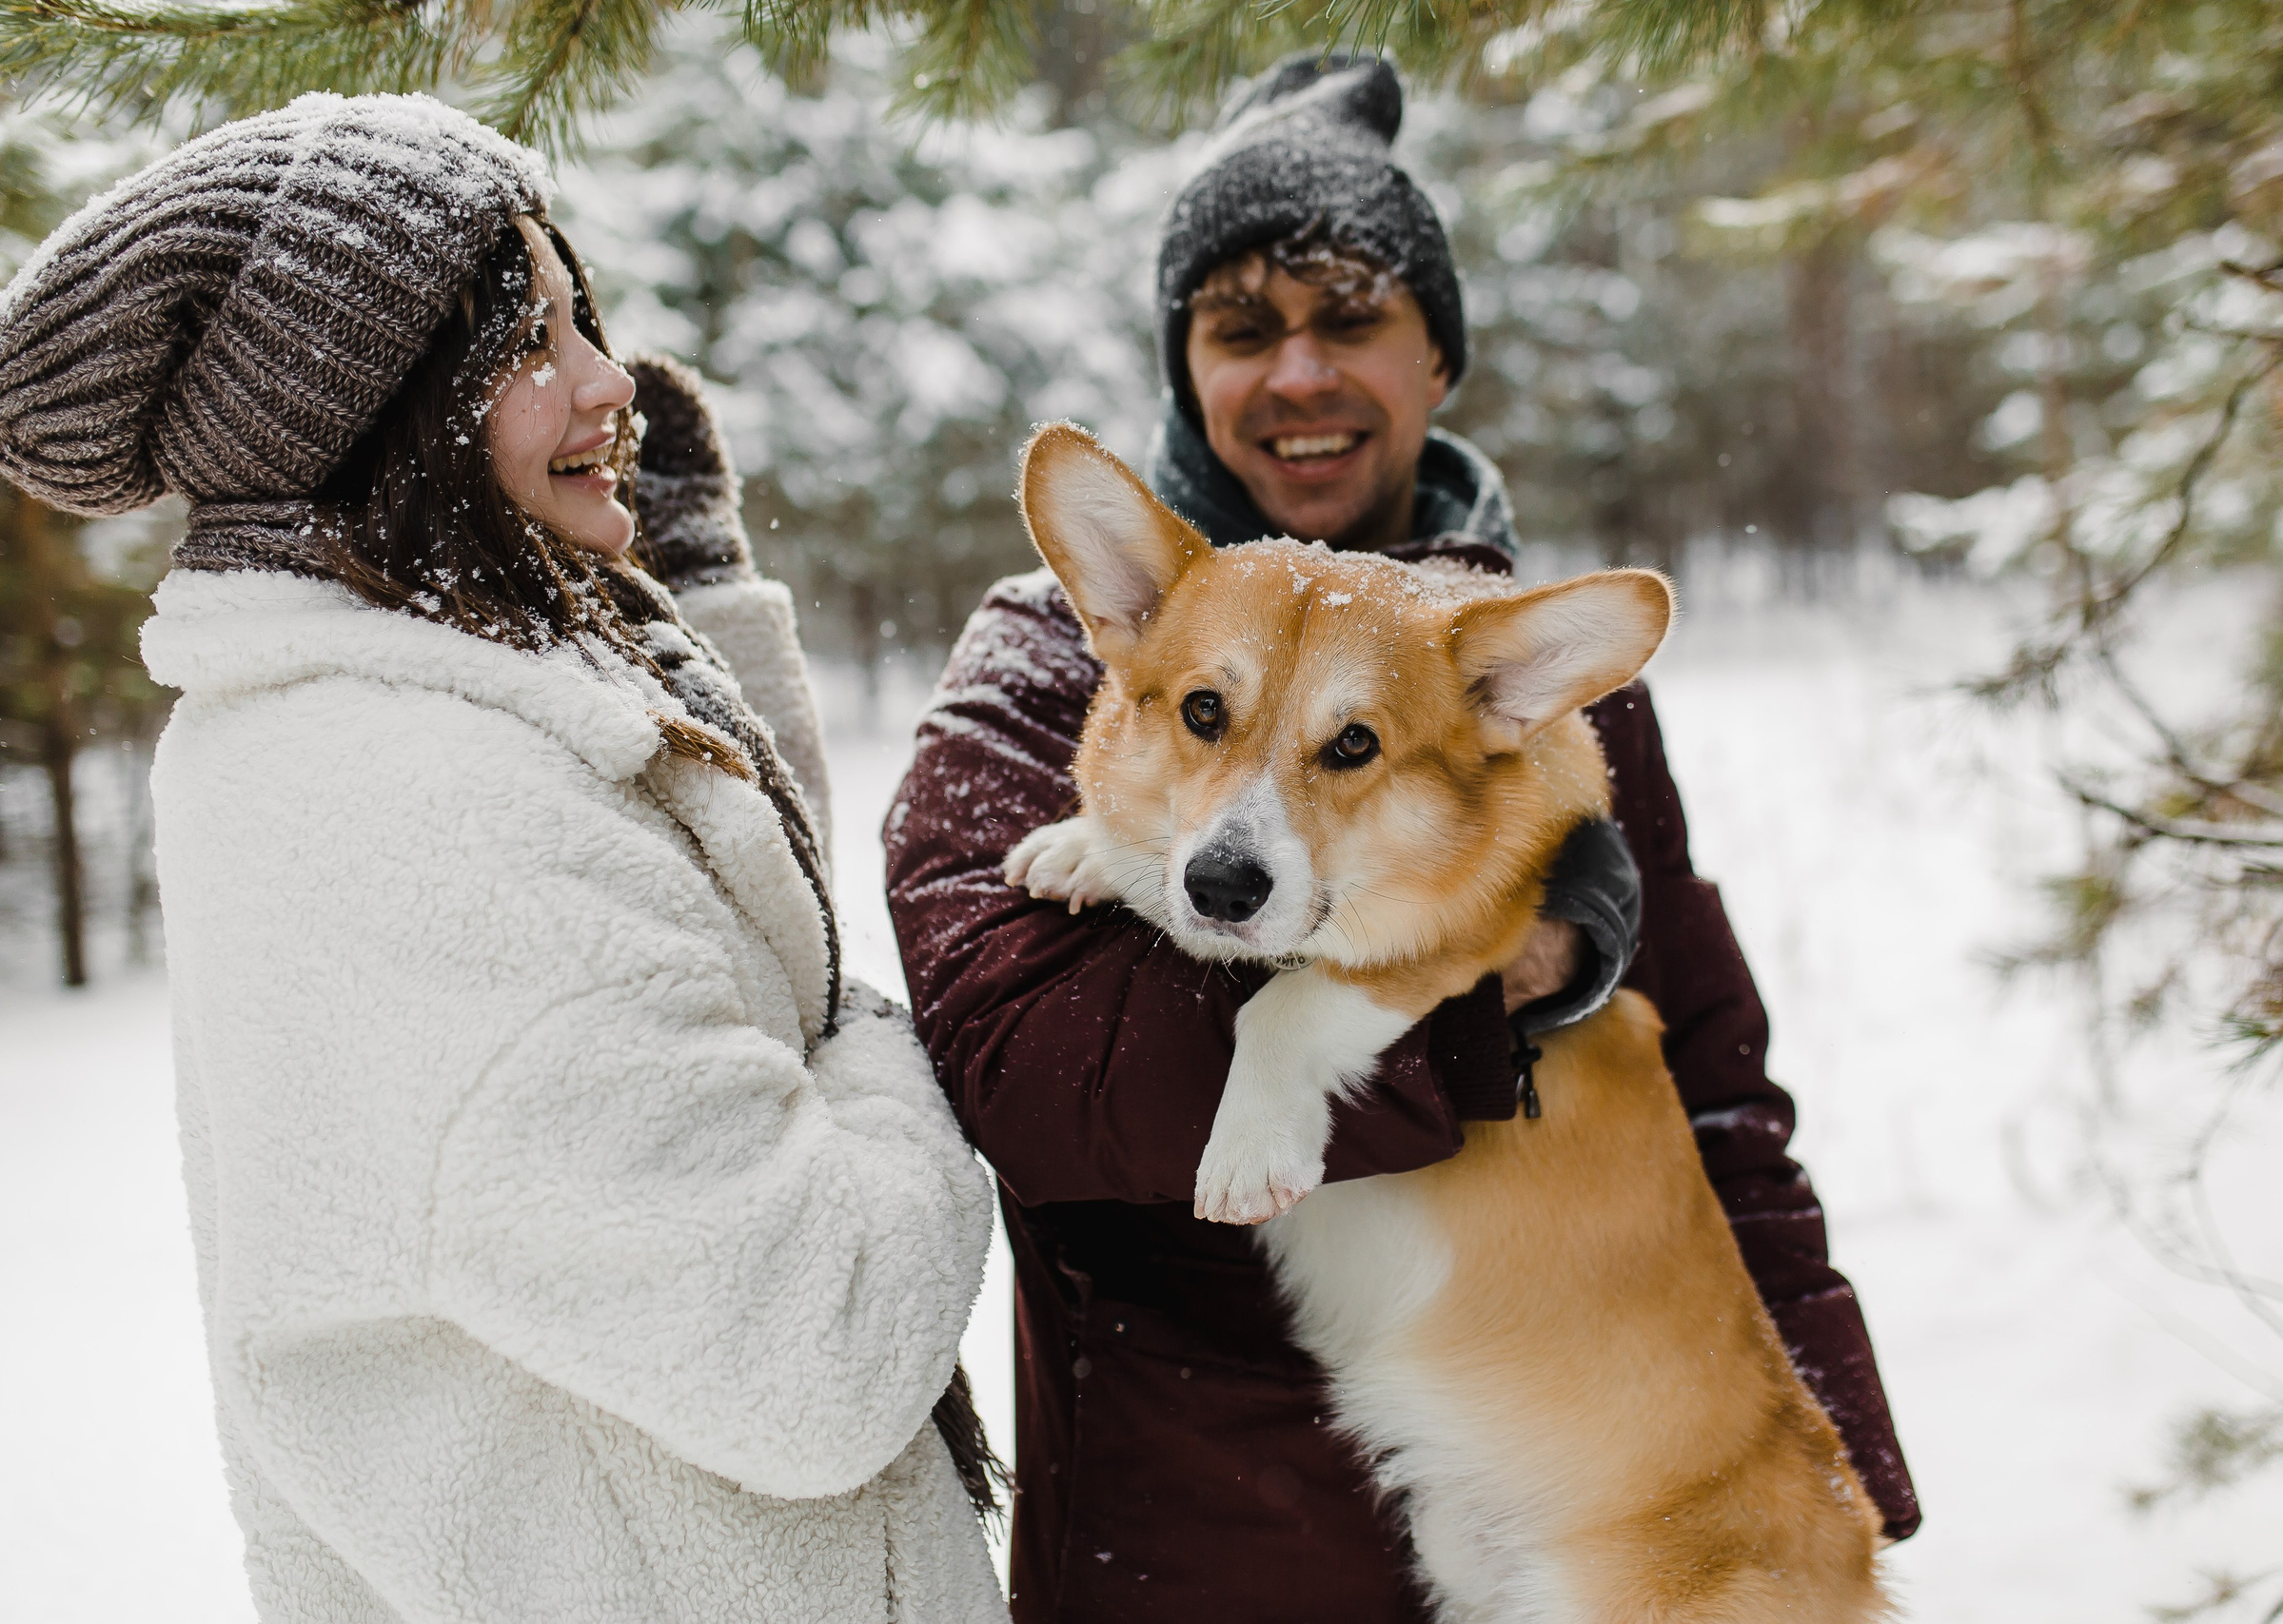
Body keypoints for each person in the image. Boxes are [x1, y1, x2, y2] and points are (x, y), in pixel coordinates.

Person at [883, 51, 1920, 1621]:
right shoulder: (1046, 668)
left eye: (1353, 319)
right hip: (1210, 1543)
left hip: (1611, 1536)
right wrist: (1476, 988)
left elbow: (1713, 1089)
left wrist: (1836, 1483)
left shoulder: (1532, 690)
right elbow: (1025, 1074)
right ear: (1185, 368)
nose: (1300, 374)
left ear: (1439, 356)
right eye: (1243, 331)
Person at [0, 94, 1005, 1624]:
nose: (608, 381)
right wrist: (886, 1050)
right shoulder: (414, 806)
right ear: (380, 422)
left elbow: (714, 939)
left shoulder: (387, 704)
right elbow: (823, 1338)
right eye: (533, 343)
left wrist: (697, 601)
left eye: (579, 314)